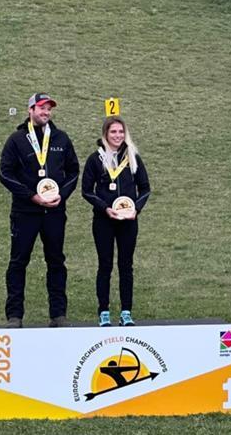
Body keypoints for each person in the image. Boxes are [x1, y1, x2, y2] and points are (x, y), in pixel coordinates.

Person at [0, 93, 79, 328]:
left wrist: (61, 195)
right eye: (42, 108)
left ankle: (58, 315)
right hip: (25, 212)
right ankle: (15, 316)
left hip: (54, 212)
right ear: (30, 110)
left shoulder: (61, 139)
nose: (46, 112)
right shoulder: (16, 140)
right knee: (18, 262)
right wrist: (31, 196)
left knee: (56, 261)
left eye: (49, 109)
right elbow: (5, 174)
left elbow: (74, 171)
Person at [81, 116, 150, 327]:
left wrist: (135, 209)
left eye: (121, 132)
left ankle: (126, 312)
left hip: (128, 221)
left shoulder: (133, 157)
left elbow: (145, 189)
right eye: (113, 132)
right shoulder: (95, 159)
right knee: (105, 265)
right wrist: (105, 208)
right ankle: (103, 312)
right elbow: (86, 190)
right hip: (104, 220)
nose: (117, 136)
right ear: (105, 134)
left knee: (126, 265)